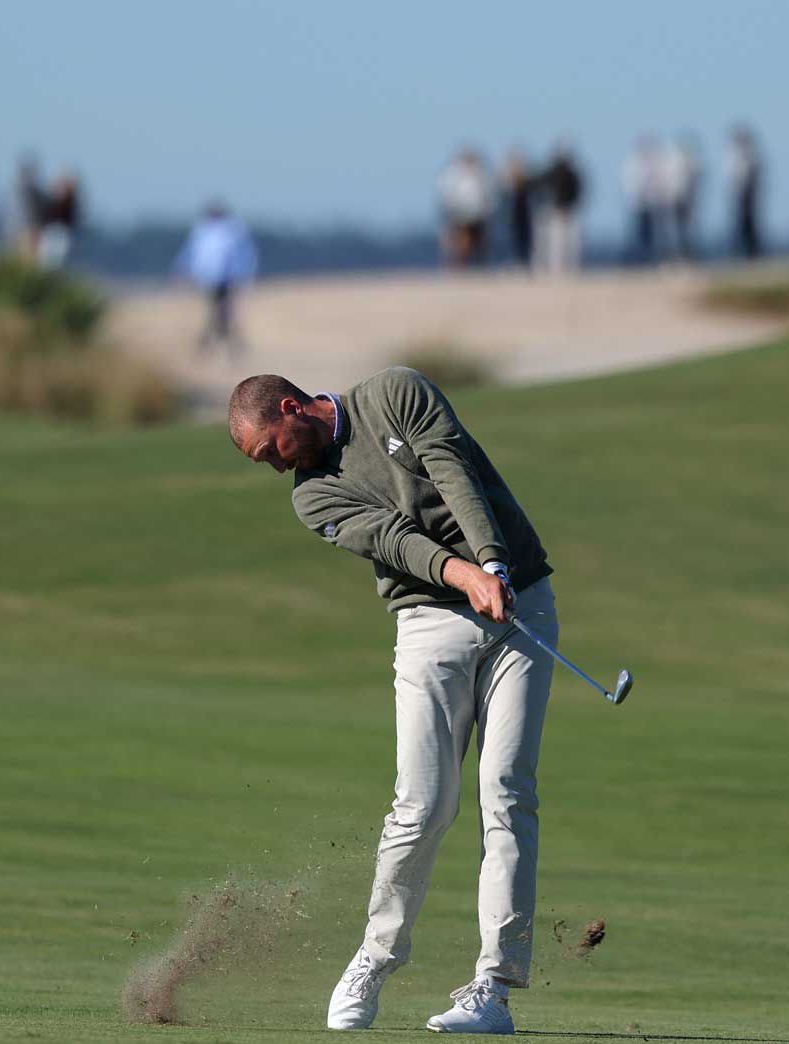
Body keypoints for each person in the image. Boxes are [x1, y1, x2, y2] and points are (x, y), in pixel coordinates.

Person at [227, 366, 558, 1035]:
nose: (272, 468)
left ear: (293, 409)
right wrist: (464, 574)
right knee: (424, 803)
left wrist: (491, 564)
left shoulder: (395, 394)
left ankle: (493, 988)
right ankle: (375, 959)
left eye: (271, 451)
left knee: (507, 791)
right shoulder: (312, 497)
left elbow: (453, 468)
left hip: (519, 602)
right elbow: (391, 540)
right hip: (430, 622)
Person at [174, 201, 258, 356]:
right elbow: (191, 252)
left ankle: (212, 344)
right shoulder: (202, 230)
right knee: (219, 312)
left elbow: (245, 255)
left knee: (222, 311)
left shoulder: (234, 231)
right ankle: (224, 344)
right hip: (208, 277)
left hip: (228, 278)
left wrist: (244, 275)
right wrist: (183, 270)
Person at [535, 141, 585, 276]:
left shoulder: (571, 173)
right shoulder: (552, 172)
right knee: (557, 244)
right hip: (557, 212)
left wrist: (570, 206)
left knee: (568, 244)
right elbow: (541, 189)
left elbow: (578, 192)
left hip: (567, 211)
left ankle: (567, 268)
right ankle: (557, 269)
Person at [437, 149, 494, 268]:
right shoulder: (454, 175)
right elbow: (447, 194)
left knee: (479, 242)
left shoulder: (482, 175)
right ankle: (460, 264)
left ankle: (478, 264)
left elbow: (488, 195)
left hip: (478, 214)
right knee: (462, 241)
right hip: (460, 213)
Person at [621, 136, 663, 265]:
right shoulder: (632, 163)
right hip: (637, 205)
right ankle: (635, 259)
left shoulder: (653, 163)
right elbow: (630, 185)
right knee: (636, 234)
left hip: (650, 205)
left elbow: (657, 184)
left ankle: (648, 258)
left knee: (649, 235)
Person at [657, 133, 700, 262]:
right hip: (673, 200)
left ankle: (684, 254)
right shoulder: (673, 161)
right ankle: (671, 255)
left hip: (683, 201)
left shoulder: (689, 161)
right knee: (671, 231)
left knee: (684, 230)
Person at [727, 124, 764, 260]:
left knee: (749, 225)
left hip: (748, 194)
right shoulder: (736, 154)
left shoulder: (750, 154)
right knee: (741, 225)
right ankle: (742, 252)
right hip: (740, 193)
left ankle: (752, 252)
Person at [36, 171, 81, 270]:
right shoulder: (52, 200)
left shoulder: (71, 201)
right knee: (45, 260)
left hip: (62, 232)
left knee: (57, 261)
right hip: (51, 231)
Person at [499, 151, 535, 270]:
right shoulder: (506, 182)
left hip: (524, 215)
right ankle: (514, 260)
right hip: (511, 215)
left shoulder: (527, 182)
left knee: (525, 239)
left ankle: (525, 261)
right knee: (511, 237)